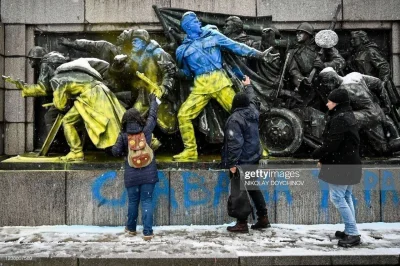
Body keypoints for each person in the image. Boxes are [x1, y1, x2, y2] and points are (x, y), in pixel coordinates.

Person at [174, 11, 279, 161]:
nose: (199, 23)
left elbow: (237, 47)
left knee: (244, 115)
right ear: (187, 26)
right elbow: (187, 74)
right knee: (183, 115)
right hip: (200, 86)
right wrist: (176, 72)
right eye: (195, 21)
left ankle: (258, 148)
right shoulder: (181, 50)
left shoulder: (212, 34)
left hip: (220, 82)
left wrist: (260, 55)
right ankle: (190, 151)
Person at [312, 88, 362, 248]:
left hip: (340, 165)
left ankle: (353, 233)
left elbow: (332, 145)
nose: (327, 103)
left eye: (330, 101)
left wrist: (318, 155)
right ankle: (350, 229)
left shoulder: (340, 119)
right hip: (350, 163)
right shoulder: (348, 115)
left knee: (337, 198)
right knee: (346, 196)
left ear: (337, 103)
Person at [51, 58, 126, 161]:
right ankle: (145, 140)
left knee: (67, 121)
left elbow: (61, 105)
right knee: (116, 117)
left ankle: (76, 152)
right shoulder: (74, 74)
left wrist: (60, 100)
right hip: (101, 90)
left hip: (90, 95)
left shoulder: (58, 81)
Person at [222, 76, 271, 233]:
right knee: (252, 187)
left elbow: (235, 144)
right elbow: (253, 100)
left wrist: (232, 164)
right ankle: (263, 218)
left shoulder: (234, 119)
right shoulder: (253, 112)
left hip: (241, 161)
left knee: (239, 191)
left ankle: (242, 223)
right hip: (254, 157)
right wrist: (248, 86)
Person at [111, 93, 160, 241]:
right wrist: (153, 102)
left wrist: (123, 150)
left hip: (132, 174)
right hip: (149, 173)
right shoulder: (146, 131)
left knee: (133, 202)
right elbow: (152, 117)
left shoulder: (123, 135)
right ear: (139, 118)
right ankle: (147, 232)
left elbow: (115, 151)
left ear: (125, 120)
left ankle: (131, 229)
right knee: (147, 201)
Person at [318, 67, 394, 156]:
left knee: (341, 119)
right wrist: (386, 105)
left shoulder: (342, 92)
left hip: (369, 116)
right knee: (382, 149)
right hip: (376, 111)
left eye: (326, 83)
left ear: (334, 80)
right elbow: (378, 83)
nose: (326, 86)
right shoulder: (354, 76)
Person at [287, 22, 344, 108]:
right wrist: (302, 81)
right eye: (297, 33)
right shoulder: (294, 52)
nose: (297, 35)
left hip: (325, 84)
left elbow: (341, 61)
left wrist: (324, 65)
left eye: (301, 32)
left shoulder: (323, 46)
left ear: (308, 34)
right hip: (307, 87)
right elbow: (293, 70)